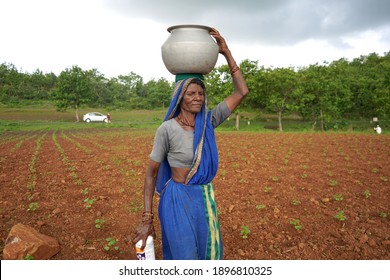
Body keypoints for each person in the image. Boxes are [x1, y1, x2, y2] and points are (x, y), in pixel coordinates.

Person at [132, 28, 249, 260]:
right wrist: (147, 218)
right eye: (191, 94)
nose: (198, 98)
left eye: (201, 93)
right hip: (176, 199)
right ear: (180, 97)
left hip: (203, 199)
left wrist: (226, 52)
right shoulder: (167, 129)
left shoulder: (209, 122)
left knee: (207, 255)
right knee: (185, 257)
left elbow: (241, 91)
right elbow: (150, 174)